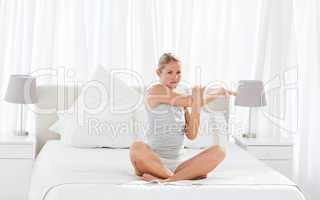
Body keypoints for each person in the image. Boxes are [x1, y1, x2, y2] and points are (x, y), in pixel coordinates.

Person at [129, 53, 236, 183]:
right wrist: (203, 95)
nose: (175, 77)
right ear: (158, 72)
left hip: (179, 165)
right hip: (154, 162)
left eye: (178, 72)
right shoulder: (156, 90)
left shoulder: (182, 103)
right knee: (137, 147)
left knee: (219, 151)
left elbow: (192, 134)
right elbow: (192, 101)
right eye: (169, 72)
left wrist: (217, 93)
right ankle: (183, 176)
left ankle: (168, 179)